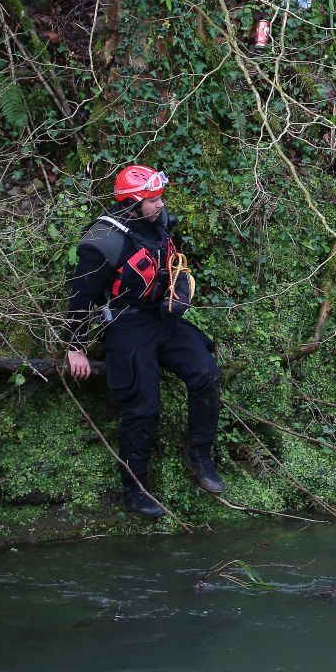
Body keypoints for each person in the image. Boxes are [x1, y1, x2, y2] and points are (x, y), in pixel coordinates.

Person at [64, 165, 223, 518]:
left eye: (159, 198)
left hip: (161, 317)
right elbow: (80, 296)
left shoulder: (156, 220)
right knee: (144, 406)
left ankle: (199, 454)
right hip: (126, 323)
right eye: (153, 200)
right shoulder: (103, 240)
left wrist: (180, 295)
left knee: (206, 372)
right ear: (131, 204)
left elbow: (173, 266)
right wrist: (75, 347)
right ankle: (134, 489)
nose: (160, 204)